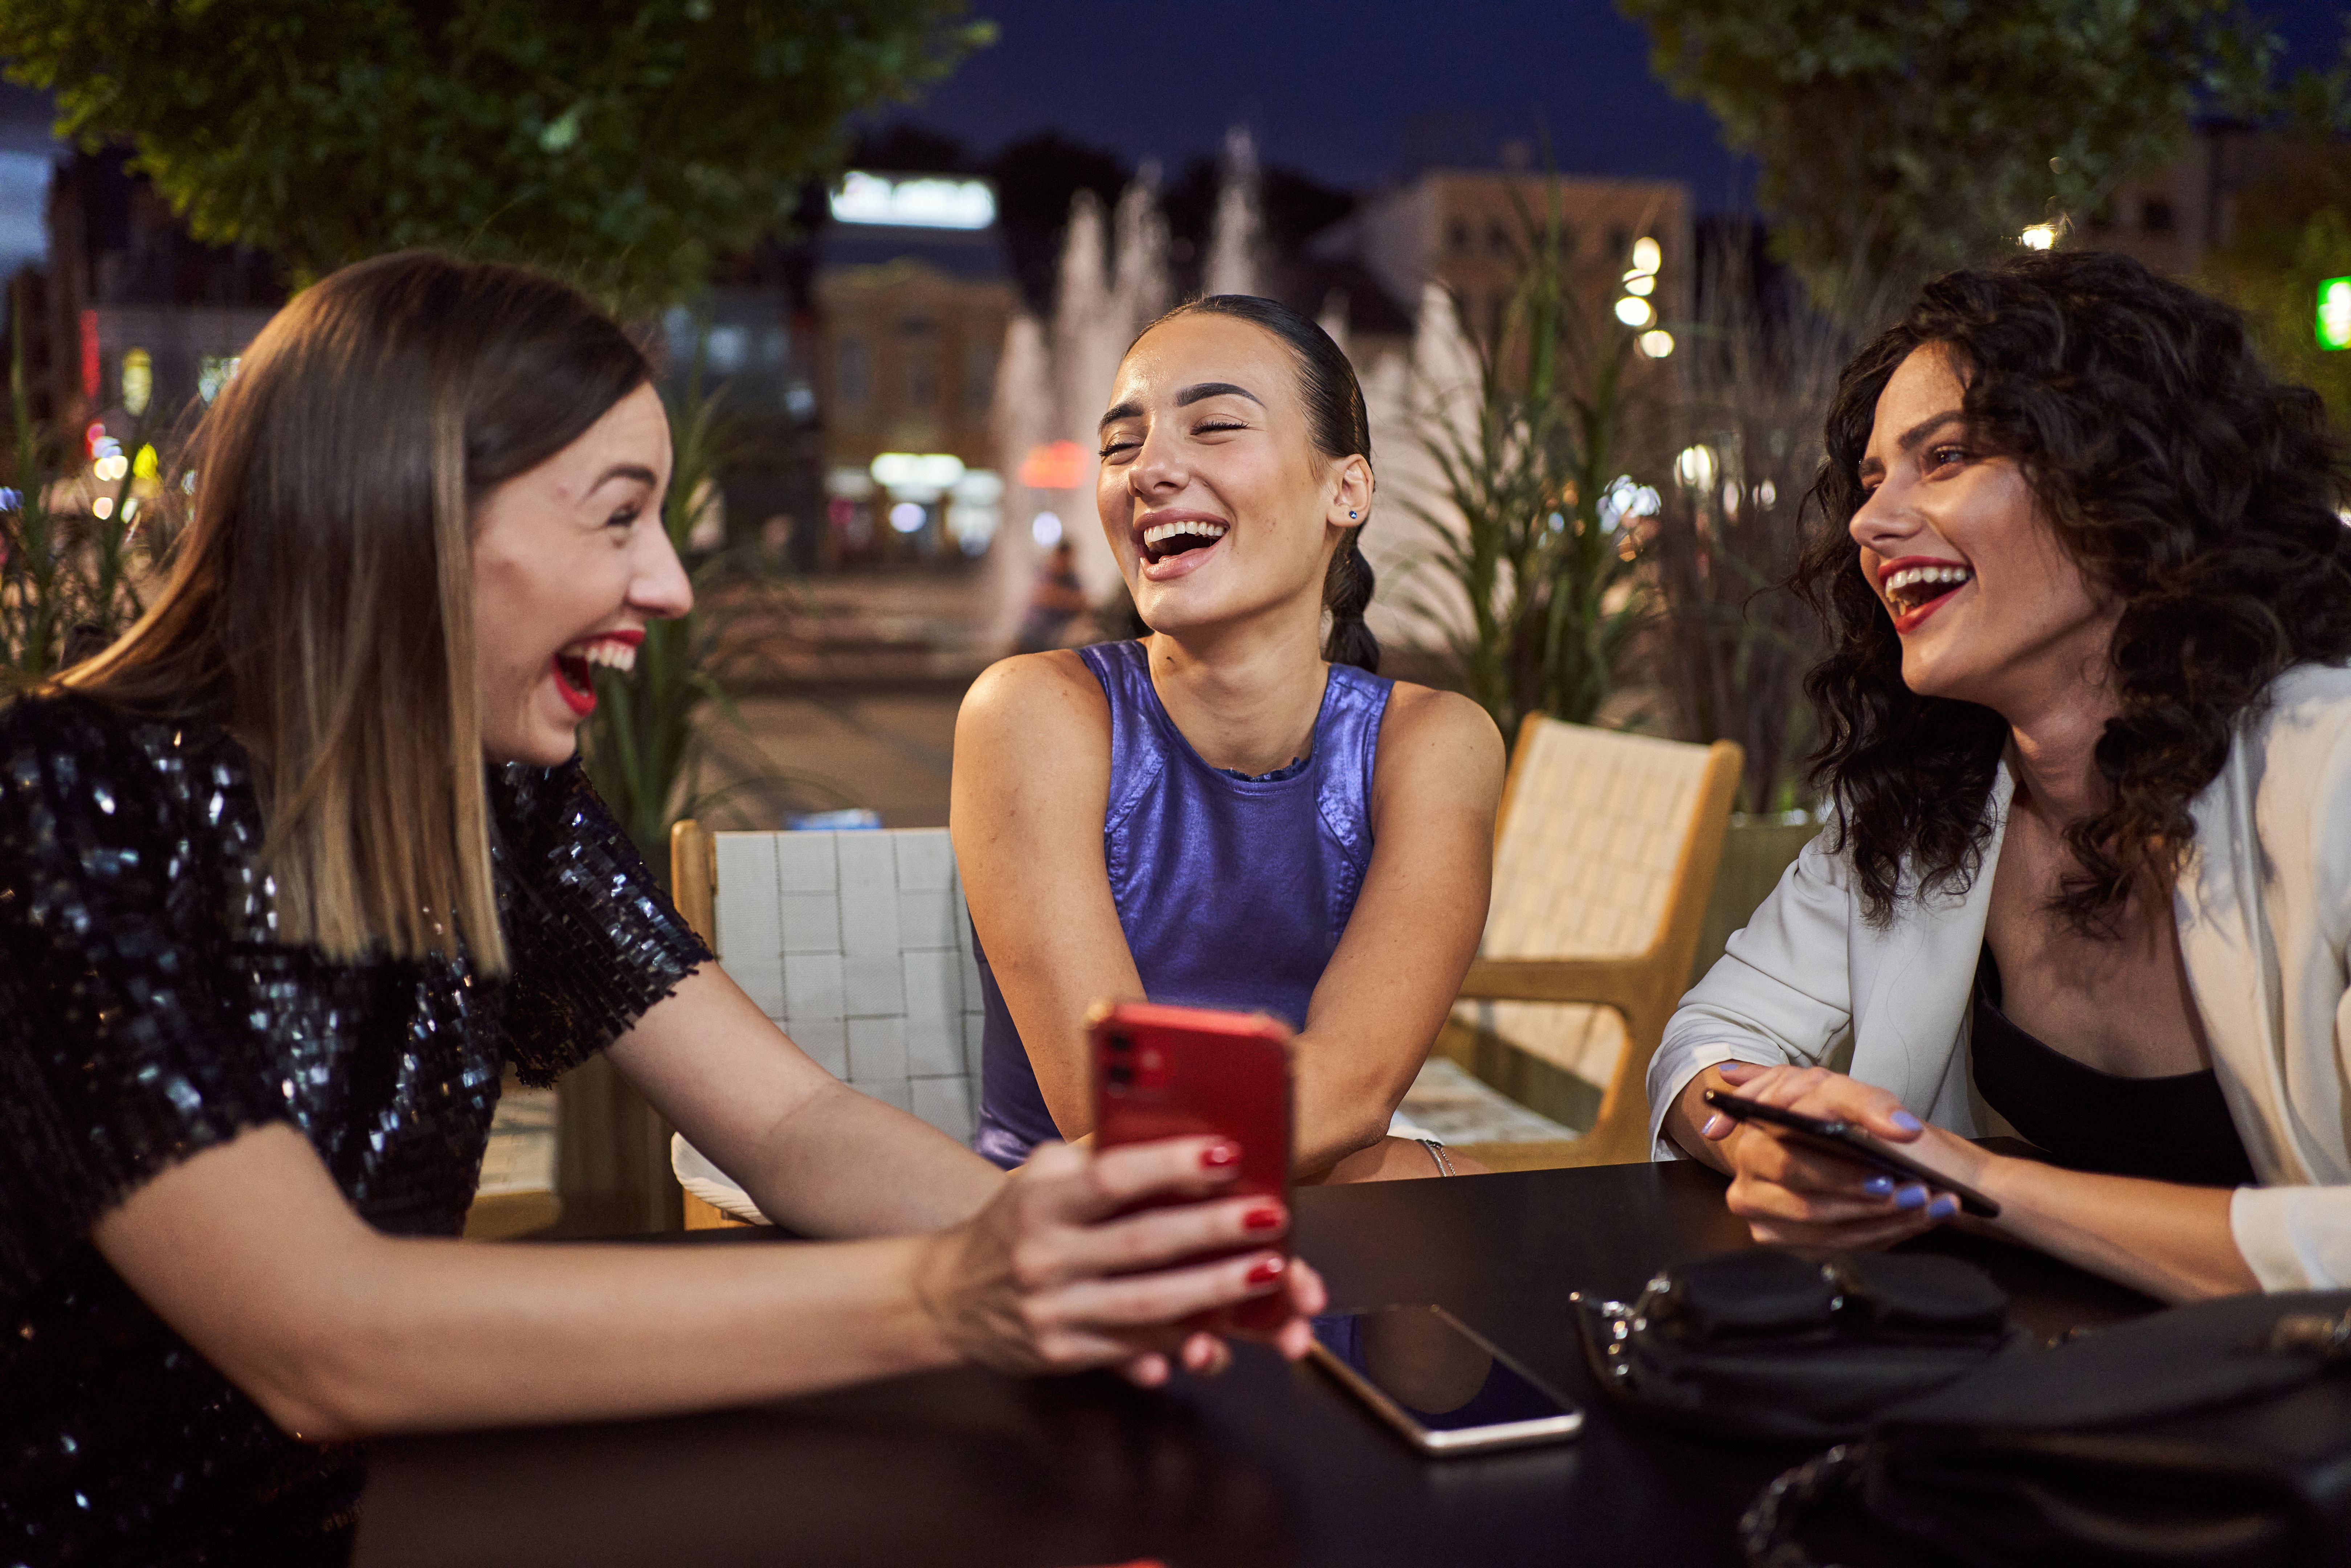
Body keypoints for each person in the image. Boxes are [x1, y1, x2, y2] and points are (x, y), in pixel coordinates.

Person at [0, 252, 1325, 1566]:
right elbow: (321, 1336)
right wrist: (950, 1294)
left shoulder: (501, 799)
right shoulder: (60, 798)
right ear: (406, 509)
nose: (669, 584)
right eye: (618, 516)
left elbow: (792, 1121)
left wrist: (1078, 1251)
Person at [1649, 249, 2351, 1302]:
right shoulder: (1925, 799)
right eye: (1872, 478)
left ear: (2126, 478)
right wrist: (1768, 1148)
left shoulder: (2326, 768)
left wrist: (1977, 1184)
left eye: (1945, 458)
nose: (1865, 523)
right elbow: (1704, 1046)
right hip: (2024, 1407)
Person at [954, 294, 1505, 1182]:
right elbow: (1120, 1120)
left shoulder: (1430, 741)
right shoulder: (1034, 710)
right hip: (1083, 1253)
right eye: (1119, 445)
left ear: (1347, 490)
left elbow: (1353, 1088)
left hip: (1313, 1200)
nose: (1149, 469)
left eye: (1213, 426)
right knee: (1441, 1189)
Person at [1015, 537, 1091, 652]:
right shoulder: (1046, 574)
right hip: (1034, 635)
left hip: (1056, 637)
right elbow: (1043, 595)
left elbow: (1084, 603)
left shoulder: (1073, 579)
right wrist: (1069, 600)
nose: (1066, 562)